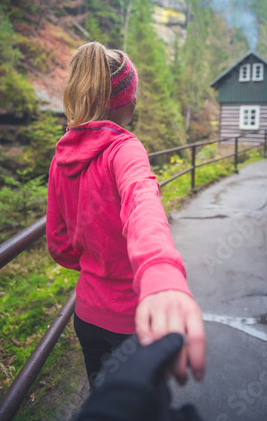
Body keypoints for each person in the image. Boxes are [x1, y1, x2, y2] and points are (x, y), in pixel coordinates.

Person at [46, 42, 205, 388]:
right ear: (128, 102)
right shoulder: (125, 148)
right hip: (132, 321)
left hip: (87, 315)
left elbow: (58, 244)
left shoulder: (61, 157)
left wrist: (95, 263)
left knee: (105, 403)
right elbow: (142, 203)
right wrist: (160, 271)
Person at [74, 333, 203, 421]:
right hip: (124, 322)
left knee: (99, 381)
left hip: (87, 314)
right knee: (148, 381)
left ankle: (98, 401)